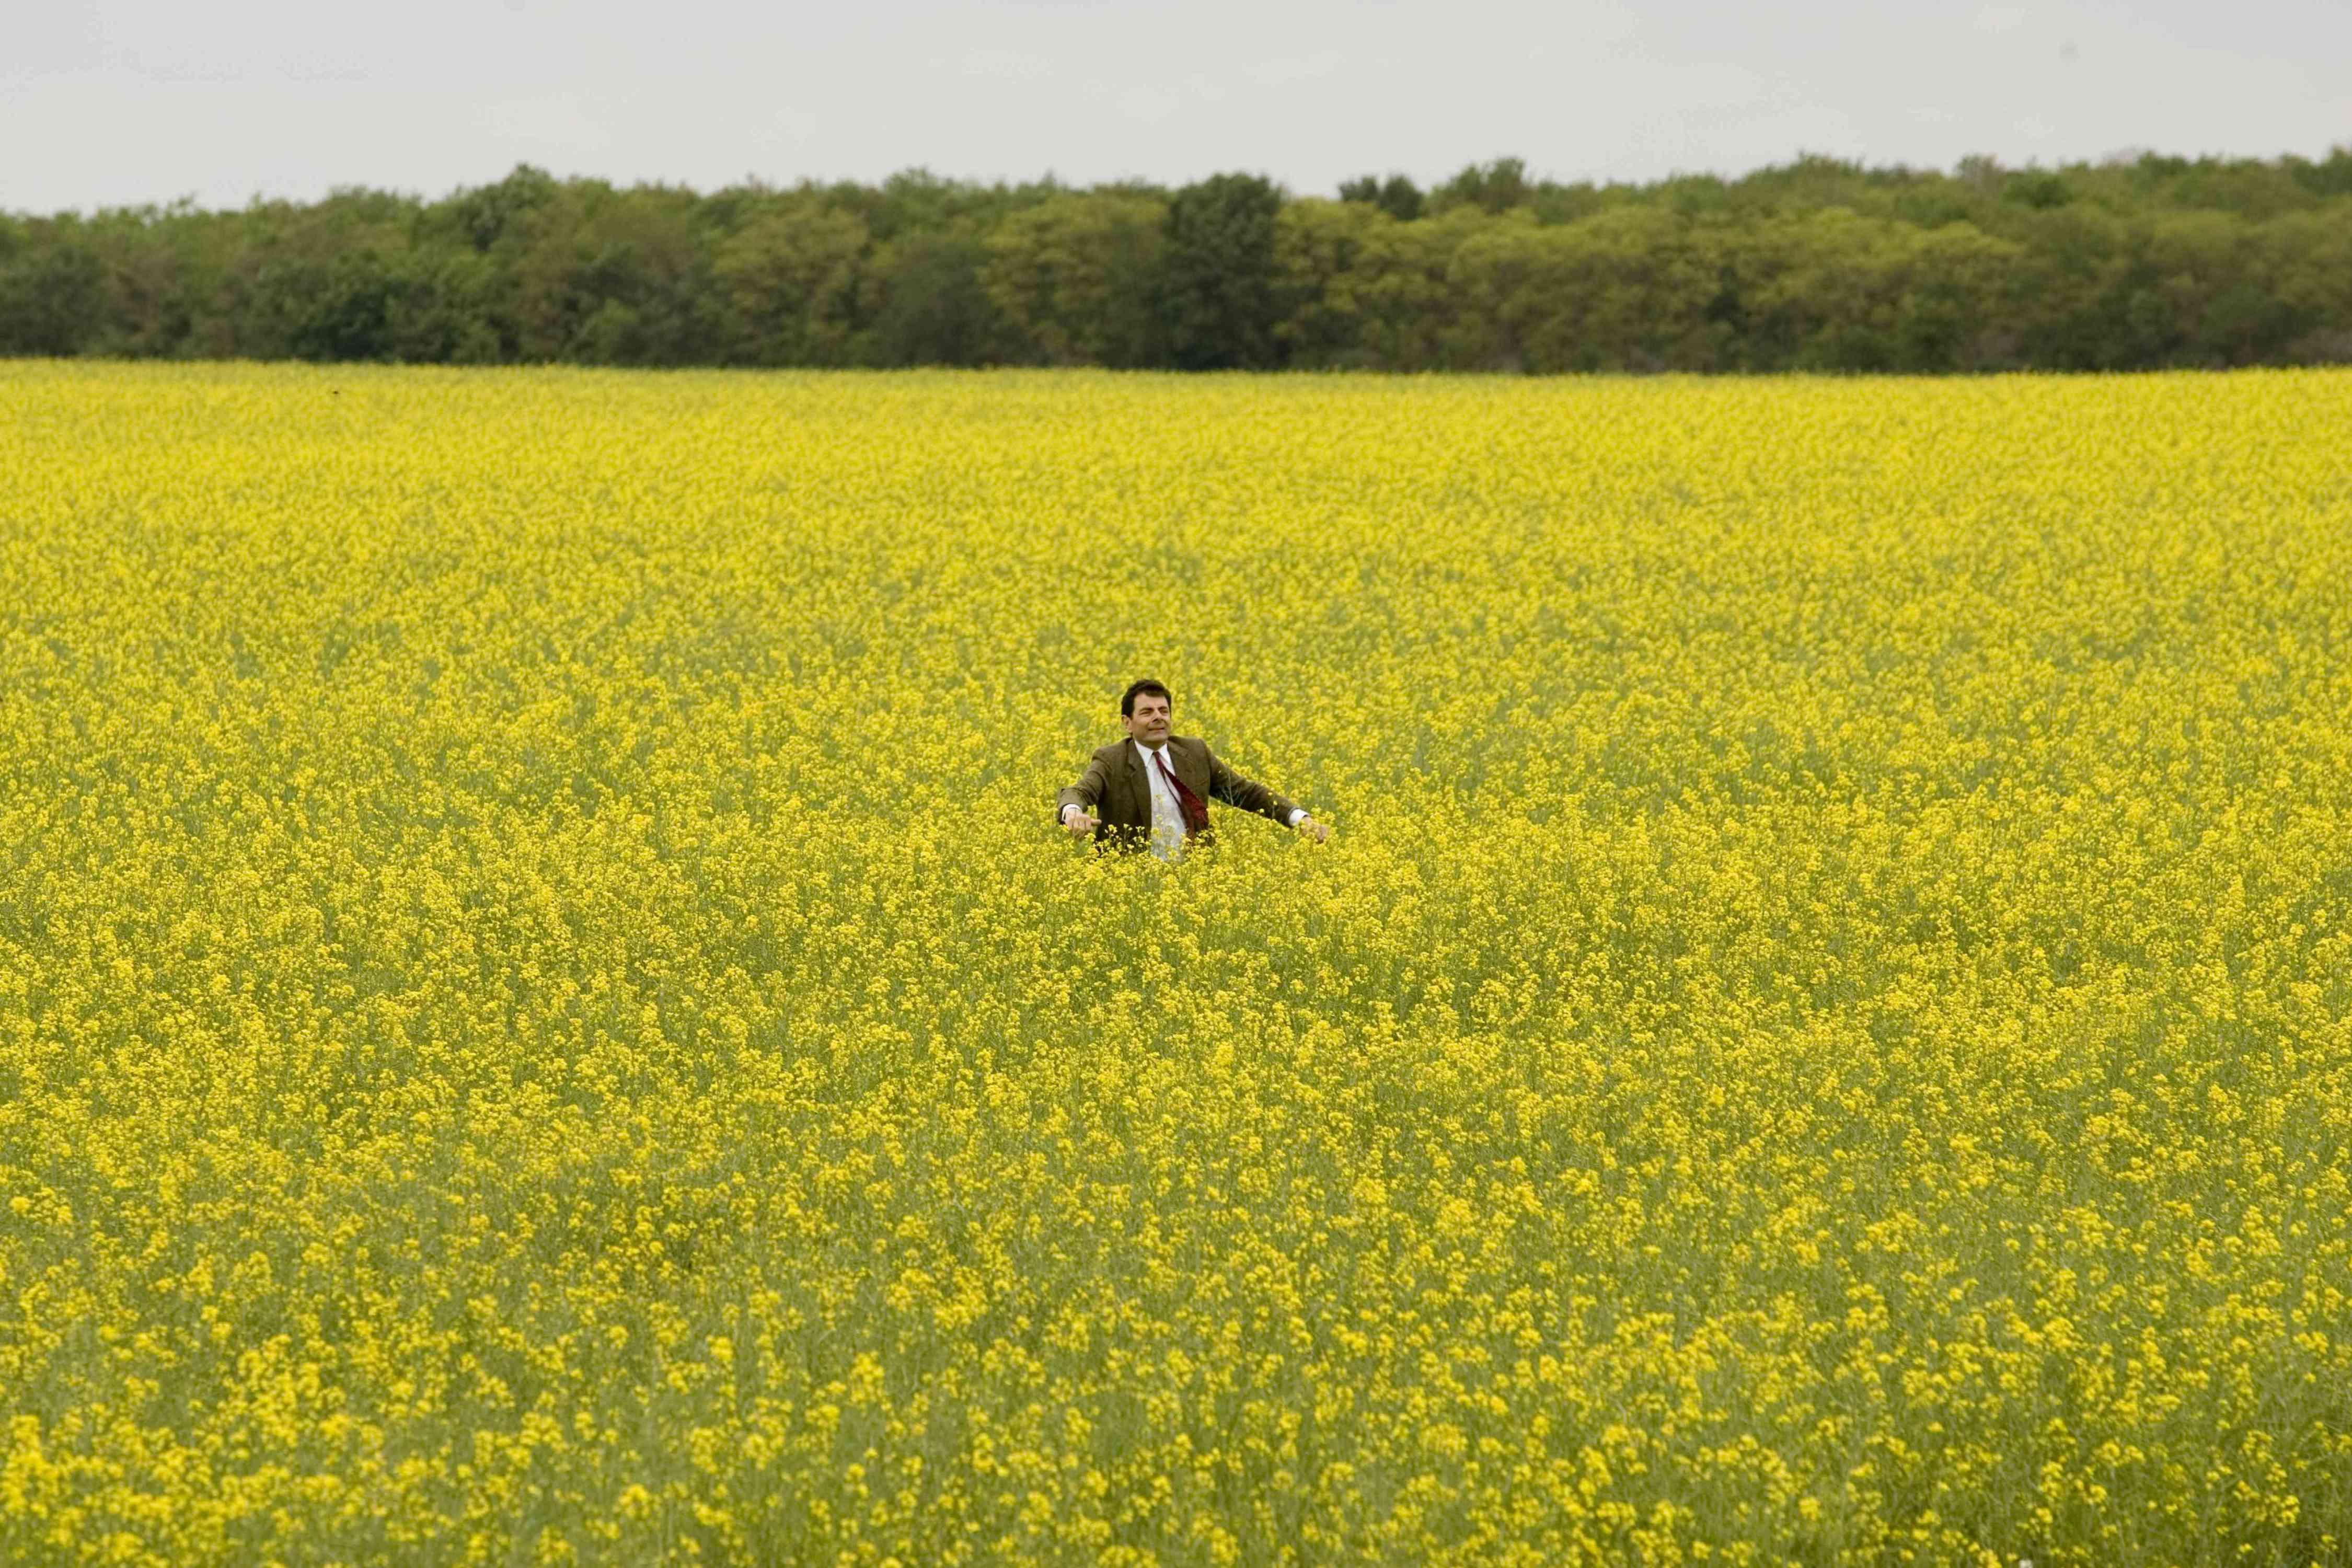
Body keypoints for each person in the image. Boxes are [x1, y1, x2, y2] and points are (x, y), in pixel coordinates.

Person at [1057, 678, 1330, 861]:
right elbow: (1079, 791)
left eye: (1163, 711)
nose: (1158, 718)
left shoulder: (1195, 753)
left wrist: (1299, 819)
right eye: (1147, 712)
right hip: (1131, 880)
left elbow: (1246, 793)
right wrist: (1073, 813)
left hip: (1191, 878)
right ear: (1127, 723)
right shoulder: (1111, 760)